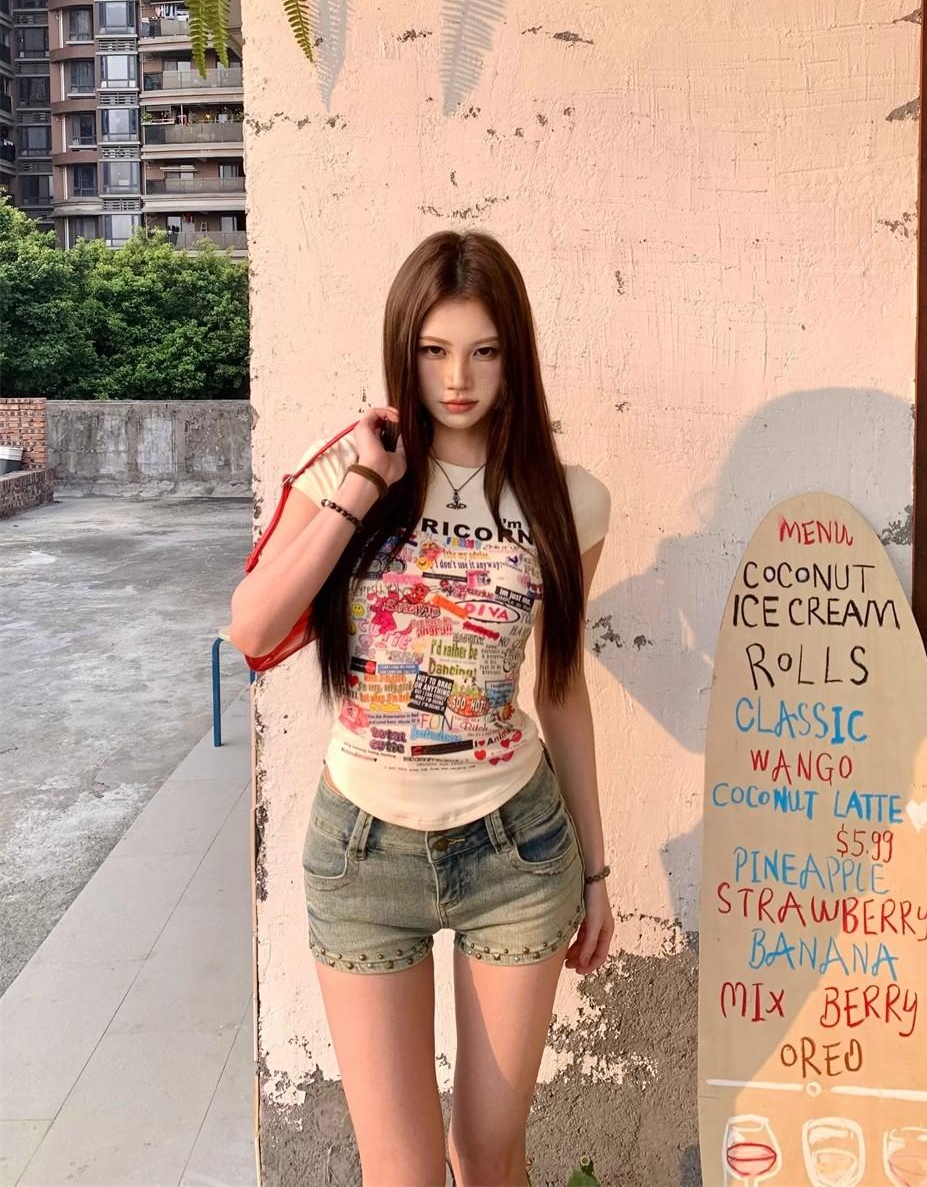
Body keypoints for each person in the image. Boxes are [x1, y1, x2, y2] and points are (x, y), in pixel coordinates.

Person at [229, 230, 613, 1187]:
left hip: (515, 849)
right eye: (435, 351)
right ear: (405, 348)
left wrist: (597, 871)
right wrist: (365, 484)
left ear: (515, 355)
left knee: (487, 1157)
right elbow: (253, 626)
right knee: (400, 1172)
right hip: (363, 853)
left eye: (484, 351)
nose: (458, 379)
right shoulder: (348, 469)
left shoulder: (569, 500)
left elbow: (561, 689)